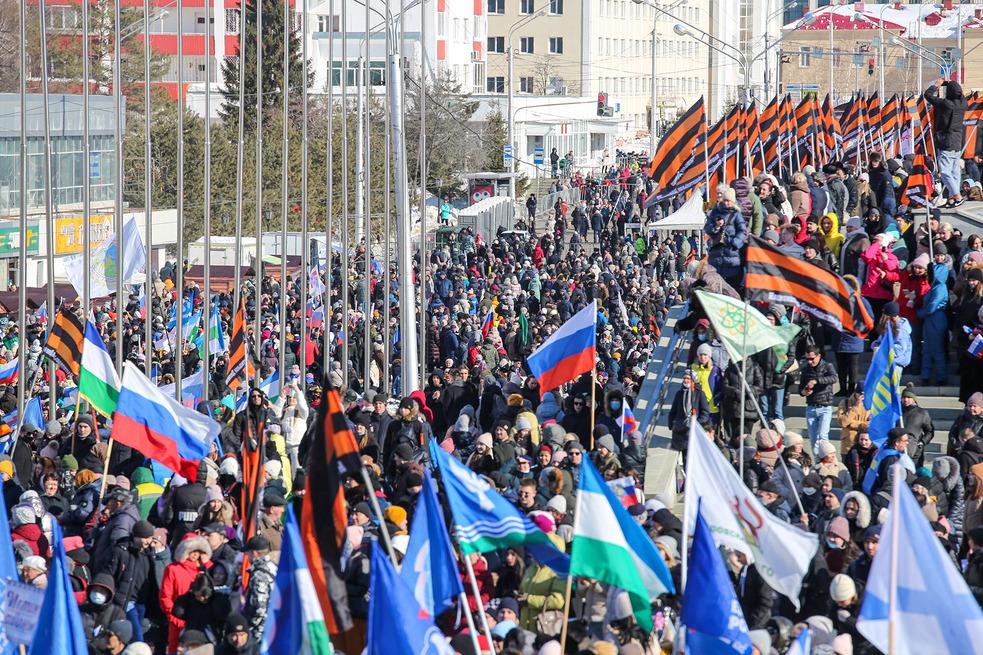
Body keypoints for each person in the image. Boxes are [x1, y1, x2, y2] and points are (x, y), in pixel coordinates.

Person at [925, 78, 968, 207]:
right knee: (955, 172)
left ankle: (957, 196)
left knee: (944, 172)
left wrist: (936, 85)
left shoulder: (945, 104)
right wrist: (951, 84)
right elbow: (960, 94)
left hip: (946, 142)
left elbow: (927, 96)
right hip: (957, 142)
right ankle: (952, 199)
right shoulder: (963, 103)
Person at [799, 345, 838, 448]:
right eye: (807, 359)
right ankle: (818, 462)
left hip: (825, 406)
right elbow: (801, 388)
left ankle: (826, 460)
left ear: (819, 356)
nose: (809, 362)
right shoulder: (806, 369)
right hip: (811, 407)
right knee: (813, 440)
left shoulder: (827, 366)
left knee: (822, 437)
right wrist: (803, 392)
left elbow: (834, 378)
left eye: (812, 359)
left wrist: (817, 381)